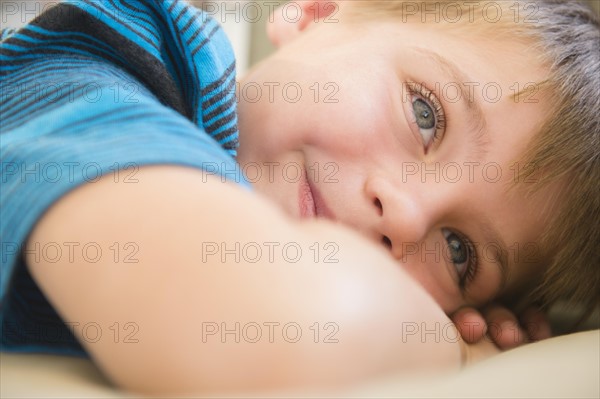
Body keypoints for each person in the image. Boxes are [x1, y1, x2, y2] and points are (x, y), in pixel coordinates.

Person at [0, 0, 597, 395]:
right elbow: (262, 330)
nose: (409, 216)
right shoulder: (104, 60)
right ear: (319, 12)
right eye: (425, 114)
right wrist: (463, 354)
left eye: (460, 251)